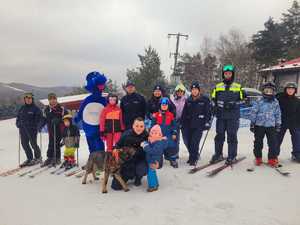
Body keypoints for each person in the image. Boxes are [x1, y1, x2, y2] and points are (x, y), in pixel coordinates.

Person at [210, 64, 245, 165]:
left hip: (233, 117)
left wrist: (234, 104)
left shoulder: (238, 87)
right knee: (219, 135)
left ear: (232, 74)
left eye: (229, 73)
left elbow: (245, 100)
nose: (227, 75)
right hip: (221, 116)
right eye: (226, 73)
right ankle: (218, 154)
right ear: (223, 74)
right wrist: (214, 105)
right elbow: (213, 99)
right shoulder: (218, 86)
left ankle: (232, 156)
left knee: (232, 136)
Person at [111, 117, 148, 190]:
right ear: (133, 126)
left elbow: (154, 149)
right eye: (137, 126)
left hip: (139, 161)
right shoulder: (126, 134)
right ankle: (129, 175)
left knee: (142, 168)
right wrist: (115, 149)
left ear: (144, 127)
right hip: (127, 163)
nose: (139, 128)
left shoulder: (147, 136)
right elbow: (118, 145)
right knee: (115, 186)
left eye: (141, 126)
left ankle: (138, 177)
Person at [249, 82, 281, 167]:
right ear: (263, 91)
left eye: (270, 91)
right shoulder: (259, 101)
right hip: (259, 125)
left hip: (271, 126)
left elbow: (278, 114)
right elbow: (253, 112)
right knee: (258, 142)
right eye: (266, 91)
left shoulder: (275, 102)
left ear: (273, 92)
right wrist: (252, 123)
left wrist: (278, 124)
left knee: (273, 143)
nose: (268, 93)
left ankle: (272, 159)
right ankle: (258, 158)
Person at [181, 82, 212, 166]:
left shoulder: (204, 99)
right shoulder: (188, 100)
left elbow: (208, 113)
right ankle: (192, 156)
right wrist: (182, 123)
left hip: (199, 125)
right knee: (189, 142)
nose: (194, 91)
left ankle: (193, 159)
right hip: (189, 125)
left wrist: (207, 122)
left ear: (199, 90)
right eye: (193, 90)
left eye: (196, 89)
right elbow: (184, 113)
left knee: (195, 142)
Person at [16, 92, 43, 167]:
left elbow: (40, 119)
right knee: (24, 144)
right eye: (26, 98)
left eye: (30, 98)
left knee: (33, 144)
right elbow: (18, 117)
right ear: (24, 99)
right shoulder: (22, 108)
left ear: (32, 99)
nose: (28, 100)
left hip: (32, 129)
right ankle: (30, 158)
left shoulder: (36, 108)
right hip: (23, 129)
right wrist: (18, 124)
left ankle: (38, 157)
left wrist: (38, 126)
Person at [276, 82, 300, 163]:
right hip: (281, 122)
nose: (290, 90)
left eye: (292, 89)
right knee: (277, 138)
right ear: (285, 89)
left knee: (297, 137)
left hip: (294, 122)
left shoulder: (297, 101)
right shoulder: (279, 98)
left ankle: (296, 155)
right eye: (288, 89)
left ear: (295, 90)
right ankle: (274, 155)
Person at [151, 97, 178, 168]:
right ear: (160, 105)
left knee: (172, 145)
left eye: (166, 105)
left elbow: (174, 126)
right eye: (163, 105)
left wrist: (174, 133)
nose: (164, 106)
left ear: (168, 106)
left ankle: (173, 159)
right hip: (158, 136)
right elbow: (152, 126)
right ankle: (157, 159)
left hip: (168, 135)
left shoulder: (171, 115)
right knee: (158, 148)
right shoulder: (155, 115)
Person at [41, 93, 66, 167]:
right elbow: (44, 119)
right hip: (50, 129)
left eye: (54, 99)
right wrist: (40, 125)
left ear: (56, 99)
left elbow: (67, 118)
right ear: (49, 100)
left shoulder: (61, 108)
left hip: (59, 129)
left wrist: (59, 120)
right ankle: (50, 157)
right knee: (51, 143)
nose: (53, 101)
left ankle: (57, 158)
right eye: (51, 99)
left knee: (56, 143)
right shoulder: (46, 109)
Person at [141, 125, 168, 192]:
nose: (153, 134)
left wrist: (145, 146)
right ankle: (156, 183)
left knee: (151, 173)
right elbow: (150, 145)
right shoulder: (152, 140)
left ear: (160, 135)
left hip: (154, 160)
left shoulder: (159, 143)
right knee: (152, 172)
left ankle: (153, 186)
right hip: (150, 159)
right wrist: (146, 143)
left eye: (156, 133)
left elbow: (153, 151)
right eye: (152, 133)